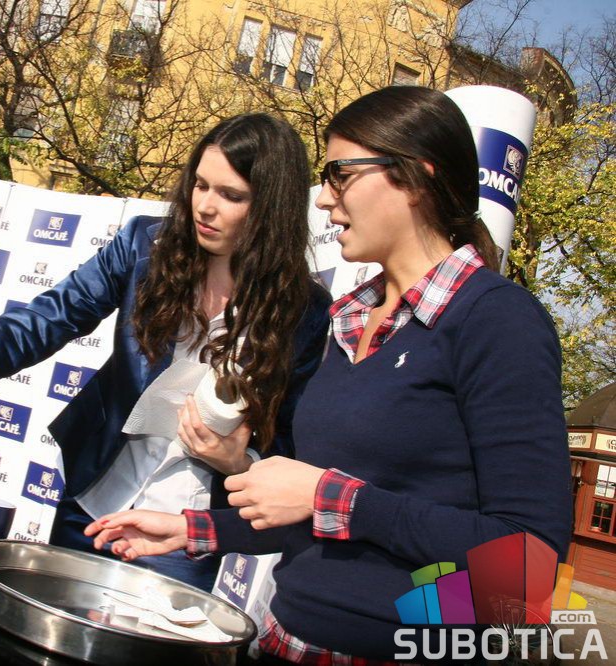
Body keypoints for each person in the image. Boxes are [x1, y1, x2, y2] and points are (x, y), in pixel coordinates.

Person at [86, 86, 572, 661]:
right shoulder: (349, 319)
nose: (323, 199)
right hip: (286, 642)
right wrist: (199, 530)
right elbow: (319, 518)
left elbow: (529, 565)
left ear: (416, 178)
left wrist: (330, 495)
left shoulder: (497, 320)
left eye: (340, 174)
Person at [0, 112, 332, 589]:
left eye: (231, 195)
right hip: (91, 503)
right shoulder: (145, 247)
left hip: (185, 537)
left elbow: (290, 452)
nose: (205, 206)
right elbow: (31, 328)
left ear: (271, 207)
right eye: (200, 185)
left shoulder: (305, 311)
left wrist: (238, 462)